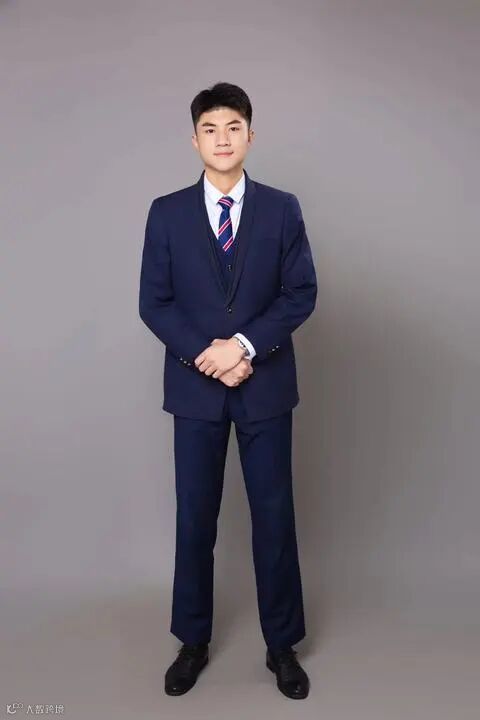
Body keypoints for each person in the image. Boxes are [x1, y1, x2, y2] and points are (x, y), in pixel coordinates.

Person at [139, 82, 317, 699]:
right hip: (196, 390)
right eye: (210, 129)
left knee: (274, 516)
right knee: (195, 518)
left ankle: (282, 646)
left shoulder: (282, 208)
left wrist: (242, 347)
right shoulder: (166, 212)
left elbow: (301, 292)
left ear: (250, 135)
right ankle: (192, 641)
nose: (222, 138)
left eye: (234, 127)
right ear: (194, 141)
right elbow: (154, 302)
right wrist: (209, 357)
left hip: (265, 386)